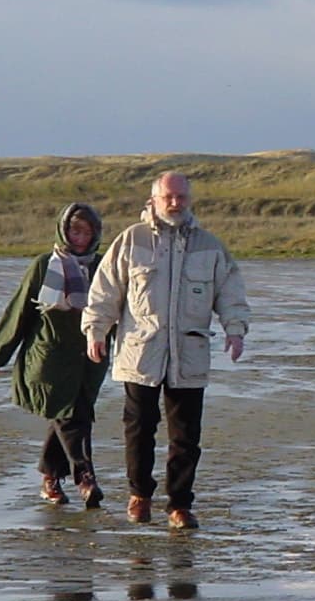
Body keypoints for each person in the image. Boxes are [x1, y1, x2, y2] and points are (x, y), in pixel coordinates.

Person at [83, 172, 250, 531]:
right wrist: (96, 330)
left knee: (186, 436)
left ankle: (180, 505)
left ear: (190, 200)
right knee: (139, 429)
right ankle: (139, 495)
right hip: (140, 353)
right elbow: (104, 291)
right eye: (169, 197)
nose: (175, 203)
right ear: (154, 199)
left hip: (189, 352)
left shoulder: (209, 246)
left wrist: (235, 331)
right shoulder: (132, 240)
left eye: (181, 197)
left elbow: (231, 293)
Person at [0, 203, 112, 508]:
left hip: (91, 358)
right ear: (63, 230)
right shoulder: (45, 265)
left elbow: (116, 310)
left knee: (71, 414)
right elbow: (20, 310)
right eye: (74, 230)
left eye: (87, 231)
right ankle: (86, 477)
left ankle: (50, 477)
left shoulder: (103, 267)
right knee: (71, 416)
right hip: (50, 357)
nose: (80, 237)